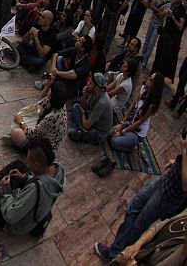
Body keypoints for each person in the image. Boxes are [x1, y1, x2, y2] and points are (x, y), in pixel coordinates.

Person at [95, 82, 182, 265]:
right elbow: (133, 110)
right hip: (167, 179)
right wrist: (178, 161)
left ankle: (115, 254)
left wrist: (185, 151)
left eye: (151, 80)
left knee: (140, 222)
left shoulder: (151, 106)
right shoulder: (143, 92)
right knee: (135, 205)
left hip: (170, 193)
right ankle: (115, 250)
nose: (147, 82)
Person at [0, 137, 65, 236]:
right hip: (36, 199)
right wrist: (25, 178)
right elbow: (44, 180)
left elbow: (11, 217)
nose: (28, 162)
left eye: (29, 160)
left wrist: (5, 192)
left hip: (14, 225)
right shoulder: (58, 168)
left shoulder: (35, 189)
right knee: (19, 165)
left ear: (36, 164)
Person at [109, 72, 164, 153]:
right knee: (110, 134)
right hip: (130, 122)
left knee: (114, 142)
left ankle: (131, 148)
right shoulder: (143, 89)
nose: (148, 79)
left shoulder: (152, 104)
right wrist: (122, 123)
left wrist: (121, 132)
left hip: (137, 132)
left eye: (151, 80)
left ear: (154, 85)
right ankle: (126, 139)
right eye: (149, 77)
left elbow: (139, 122)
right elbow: (132, 106)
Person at [152, 0, 186, 82]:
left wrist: (172, 17)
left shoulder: (182, 9)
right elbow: (164, 14)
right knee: (158, 56)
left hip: (171, 37)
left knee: (163, 59)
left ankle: (157, 80)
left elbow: (180, 26)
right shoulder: (173, 5)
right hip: (165, 32)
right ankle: (152, 76)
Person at [69, 72, 113, 145]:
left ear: (96, 87)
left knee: (72, 132)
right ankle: (80, 128)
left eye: (90, 83)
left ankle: (78, 129)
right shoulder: (94, 92)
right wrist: (84, 96)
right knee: (76, 106)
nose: (88, 84)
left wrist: (83, 113)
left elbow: (86, 126)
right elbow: (85, 107)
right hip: (91, 120)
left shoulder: (102, 103)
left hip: (98, 132)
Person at [141, 0, 171, 70]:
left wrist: (156, 10)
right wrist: (158, 11)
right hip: (152, 21)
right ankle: (142, 57)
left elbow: (162, 16)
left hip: (158, 25)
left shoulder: (168, 3)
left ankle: (145, 61)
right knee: (147, 40)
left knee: (151, 44)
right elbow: (151, 6)